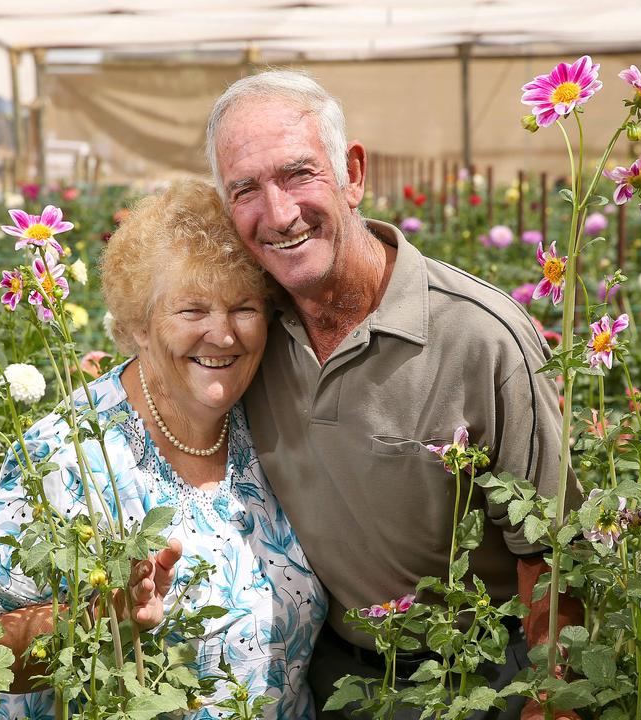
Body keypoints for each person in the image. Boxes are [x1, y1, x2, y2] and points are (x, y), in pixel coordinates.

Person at [206, 70, 585, 719]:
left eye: (299, 174)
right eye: (246, 189)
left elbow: (550, 549)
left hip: (478, 677)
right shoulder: (245, 333)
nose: (278, 214)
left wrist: (551, 694)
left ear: (353, 173)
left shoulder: (480, 337)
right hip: (333, 679)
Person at [0, 179, 327, 719]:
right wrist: (97, 620)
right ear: (138, 324)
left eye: (244, 308)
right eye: (192, 311)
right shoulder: (67, 454)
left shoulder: (276, 422)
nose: (224, 335)